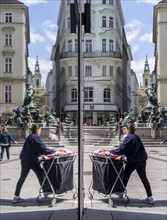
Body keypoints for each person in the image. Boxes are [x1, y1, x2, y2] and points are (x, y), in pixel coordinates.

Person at [110, 123, 154, 204]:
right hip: (142, 160)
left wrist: (110, 152)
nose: (124, 130)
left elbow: (122, 149)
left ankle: (121, 192)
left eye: (124, 129)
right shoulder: (136, 136)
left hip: (133, 161)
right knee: (144, 178)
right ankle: (150, 196)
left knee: (125, 176)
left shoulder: (129, 138)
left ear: (128, 129)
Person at [13, 124, 54, 204]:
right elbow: (43, 148)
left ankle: (16, 196)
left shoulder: (30, 136)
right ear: (38, 129)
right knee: (41, 175)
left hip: (25, 160)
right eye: (40, 129)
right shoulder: (36, 137)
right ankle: (45, 192)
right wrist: (53, 152)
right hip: (32, 161)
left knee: (22, 178)